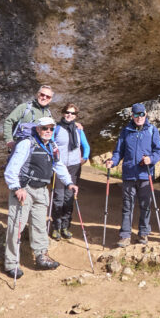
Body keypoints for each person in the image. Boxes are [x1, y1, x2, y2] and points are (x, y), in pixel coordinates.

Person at [2, 116, 77, 279]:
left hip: (42, 190)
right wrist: (16, 188)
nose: (48, 131)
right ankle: (11, 263)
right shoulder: (27, 143)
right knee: (17, 226)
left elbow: (59, 165)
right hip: (24, 190)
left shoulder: (52, 146)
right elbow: (11, 169)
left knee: (39, 225)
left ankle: (41, 256)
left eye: (51, 128)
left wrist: (69, 182)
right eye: (44, 128)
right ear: (38, 129)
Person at [104, 103, 160, 247]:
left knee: (145, 206)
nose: (139, 117)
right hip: (129, 175)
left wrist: (151, 159)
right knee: (127, 206)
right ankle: (125, 235)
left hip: (145, 174)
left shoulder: (152, 130)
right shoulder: (126, 131)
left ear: (145, 115)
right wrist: (113, 161)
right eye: (136, 115)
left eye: (141, 114)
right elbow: (119, 152)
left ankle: (143, 233)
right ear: (132, 116)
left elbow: (159, 151)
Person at [51, 102, 91, 240]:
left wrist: (84, 158)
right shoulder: (56, 128)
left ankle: (65, 227)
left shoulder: (78, 130)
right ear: (63, 113)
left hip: (74, 167)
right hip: (59, 166)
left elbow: (86, 146)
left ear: (76, 116)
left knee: (69, 197)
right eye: (67, 112)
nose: (69, 115)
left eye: (72, 113)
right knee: (58, 198)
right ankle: (56, 227)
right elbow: (50, 144)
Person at [3, 85, 55, 151]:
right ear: (37, 94)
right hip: (22, 149)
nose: (44, 98)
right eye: (42, 94)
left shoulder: (48, 114)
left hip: (39, 151)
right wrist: (9, 140)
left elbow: (51, 132)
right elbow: (8, 121)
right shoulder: (25, 108)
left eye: (48, 96)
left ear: (50, 99)